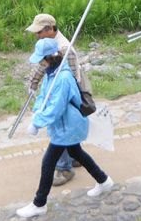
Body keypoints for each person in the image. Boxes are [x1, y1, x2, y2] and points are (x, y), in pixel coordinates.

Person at [16, 38, 113, 218]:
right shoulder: (51, 73)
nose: (39, 63)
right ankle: (104, 180)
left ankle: (39, 203)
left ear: (49, 58)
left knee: (48, 162)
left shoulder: (63, 77)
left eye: (41, 59)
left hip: (68, 125)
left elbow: (56, 107)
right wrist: (37, 112)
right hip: (63, 125)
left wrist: (38, 123)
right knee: (77, 153)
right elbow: (44, 96)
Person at [25, 13, 89, 186]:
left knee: (61, 129)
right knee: (66, 131)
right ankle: (75, 157)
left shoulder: (63, 48)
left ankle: (64, 168)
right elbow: (42, 65)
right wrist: (33, 83)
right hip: (60, 92)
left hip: (67, 95)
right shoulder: (49, 45)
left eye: (39, 32)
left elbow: (73, 78)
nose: (36, 35)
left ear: (49, 29)